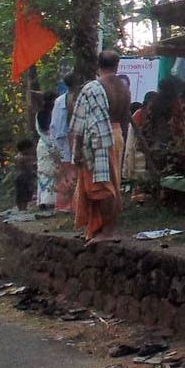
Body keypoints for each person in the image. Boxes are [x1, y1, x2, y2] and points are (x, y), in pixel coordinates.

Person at [70, 52, 123, 243]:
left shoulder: (93, 88)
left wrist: (76, 149)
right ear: (117, 65)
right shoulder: (122, 87)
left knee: (102, 186)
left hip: (100, 138)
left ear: (97, 65)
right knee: (114, 183)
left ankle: (106, 232)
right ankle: (102, 228)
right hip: (118, 136)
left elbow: (81, 123)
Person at [48, 72, 82, 213]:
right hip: (63, 143)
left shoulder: (78, 100)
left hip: (74, 141)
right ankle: (63, 206)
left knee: (74, 174)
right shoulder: (61, 101)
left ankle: (75, 205)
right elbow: (55, 126)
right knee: (64, 175)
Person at [34, 91, 61, 208]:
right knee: (47, 171)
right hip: (46, 145)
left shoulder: (54, 112)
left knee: (55, 172)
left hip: (52, 144)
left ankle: (54, 199)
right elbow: (45, 130)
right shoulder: (42, 114)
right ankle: (45, 200)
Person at [13, 138, 37, 211]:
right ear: (25, 148)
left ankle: (21, 208)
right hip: (24, 178)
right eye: (30, 148)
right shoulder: (24, 158)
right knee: (24, 195)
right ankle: (23, 209)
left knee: (20, 195)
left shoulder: (17, 156)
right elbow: (29, 167)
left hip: (19, 177)